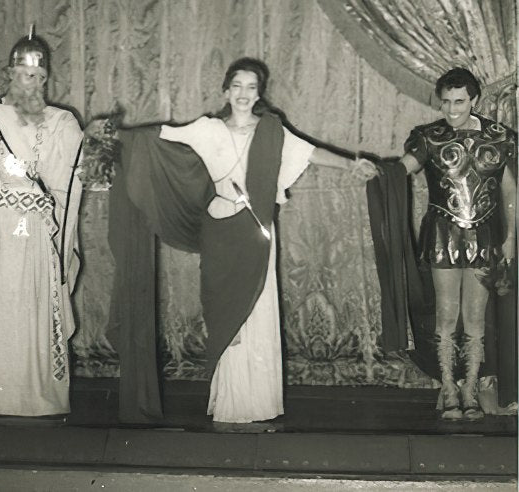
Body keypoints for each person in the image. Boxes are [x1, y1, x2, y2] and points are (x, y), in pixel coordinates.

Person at [156, 57, 377, 424]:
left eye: (251, 87)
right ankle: (230, 400)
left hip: (255, 232)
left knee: (256, 310)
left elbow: (310, 152)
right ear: (225, 90)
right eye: (237, 86)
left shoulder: (271, 131)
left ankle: (255, 401)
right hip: (219, 231)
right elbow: (161, 138)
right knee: (225, 311)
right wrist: (114, 138)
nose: (244, 94)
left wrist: (352, 163)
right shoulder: (206, 130)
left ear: (259, 93)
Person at [0, 31, 83, 416]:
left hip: (39, 231)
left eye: (42, 78)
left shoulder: (60, 122)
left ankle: (36, 398)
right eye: (28, 75)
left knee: (35, 310)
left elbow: (77, 168)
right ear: (10, 73)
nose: (36, 84)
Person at [401, 68, 516, 420]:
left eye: (460, 101)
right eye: (446, 101)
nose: (451, 109)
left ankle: (470, 387)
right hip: (442, 236)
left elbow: (511, 191)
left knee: (476, 319)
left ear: (475, 99)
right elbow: (404, 167)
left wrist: (511, 237)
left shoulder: (500, 137)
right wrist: (381, 173)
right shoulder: (428, 137)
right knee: (447, 315)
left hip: (485, 237)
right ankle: (448, 387)